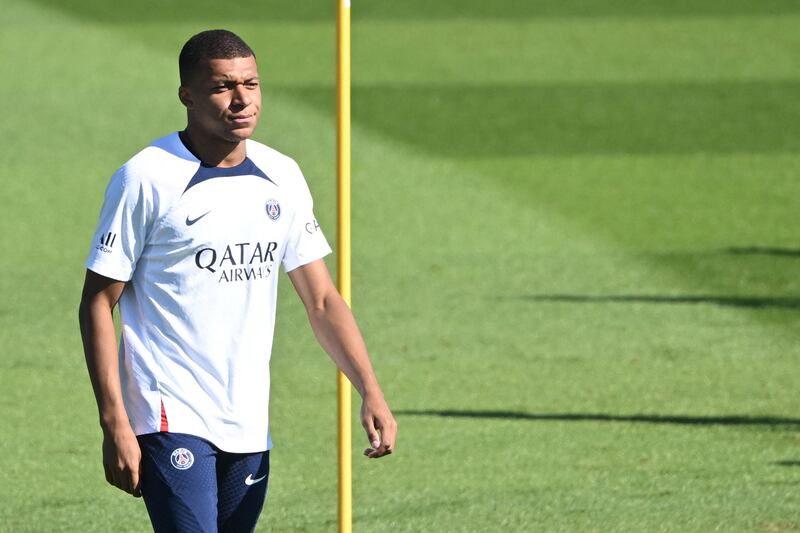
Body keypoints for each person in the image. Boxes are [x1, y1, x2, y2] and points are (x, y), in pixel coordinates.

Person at [78, 29, 396, 532]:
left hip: (247, 415)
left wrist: (370, 389)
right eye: (224, 87)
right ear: (187, 95)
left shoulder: (282, 175)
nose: (242, 99)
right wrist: (113, 420)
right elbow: (98, 302)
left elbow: (322, 300)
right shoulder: (146, 177)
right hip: (169, 411)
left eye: (251, 83)